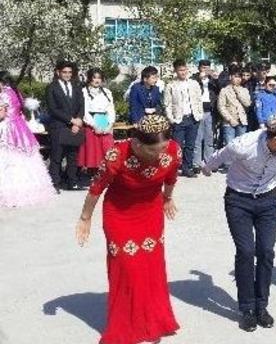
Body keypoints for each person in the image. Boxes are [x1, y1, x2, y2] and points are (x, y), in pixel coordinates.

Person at [75, 115, 181, 344]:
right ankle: (126, 325)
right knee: (127, 267)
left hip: (150, 212)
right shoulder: (118, 153)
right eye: (155, 150)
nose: (160, 154)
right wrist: (85, 218)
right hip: (120, 214)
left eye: (163, 147)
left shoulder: (173, 150)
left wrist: (167, 199)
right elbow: (96, 187)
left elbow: (171, 177)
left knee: (150, 266)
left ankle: (153, 320)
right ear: (138, 144)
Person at [201, 112, 276, 331]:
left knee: (266, 251)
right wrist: (207, 168)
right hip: (239, 201)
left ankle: (261, 306)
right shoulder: (243, 145)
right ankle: (246, 308)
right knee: (246, 251)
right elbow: (219, 156)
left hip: (269, 200)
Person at [0, 71, 56, 205]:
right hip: (20, 128)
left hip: (6, 129)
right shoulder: (16, 92)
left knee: (8, 159)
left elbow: (1, 115)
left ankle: (9, 194)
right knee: (23, 159)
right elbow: (20, 112)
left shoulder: (3, 95)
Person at [46, 60, 86, 191]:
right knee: (57, 156)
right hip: (58, 125)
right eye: (64, 72)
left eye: (70, 72)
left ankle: (72, 181)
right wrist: (71, 120)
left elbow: (81, 105)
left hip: (75, 126)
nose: (67, 74)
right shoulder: (51, 87)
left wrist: (79, 120)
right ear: (58, 72)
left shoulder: (76, 86)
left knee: (73, 155)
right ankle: (55, 183)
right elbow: (53, 109)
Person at [163, 59, 203, 178]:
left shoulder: (194, 83)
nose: (183, 72)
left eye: (185, 69)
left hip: (192, 118)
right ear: (175, 71)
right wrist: (171, 119)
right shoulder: (171, 85)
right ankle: (173, 169)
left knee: (190, 145)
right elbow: (167, 104)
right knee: (177, 146)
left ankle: (187, 168)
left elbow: (198, 100)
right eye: (180, 70)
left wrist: (199, 114)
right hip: (179, 119)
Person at [78, 68, 116, 175]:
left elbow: (111, 109)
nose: (97, 80)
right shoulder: (84, 92)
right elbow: (84, 111)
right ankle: (93, 174)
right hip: (91, 121)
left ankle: (107, 173)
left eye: (99, 78)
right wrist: (94, 125)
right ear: (90, 79)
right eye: (94, 78)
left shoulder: (107, 92)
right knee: (93, 151)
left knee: (107, 148)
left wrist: (110, 124)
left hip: (104, 120)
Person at [192, 60, 219, 174]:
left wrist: (216, 79)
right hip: (198, 110)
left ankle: (209, 162)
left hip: (210, 110)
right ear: (199, 68)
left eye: (207, 67)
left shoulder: (213, 79)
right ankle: (196, 163)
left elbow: (221, 88)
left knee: (209, 138)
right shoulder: (194, 79)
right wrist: (199, 78)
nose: (205, 70)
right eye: (203, 67)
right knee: (197, 138)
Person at [218, 65, 253, 147]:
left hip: (242, 121)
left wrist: (238, 91)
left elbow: (247, 103)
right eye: (235, 76)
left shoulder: (244, 90)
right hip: (229, 122)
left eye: (239, 77)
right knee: (230, 146)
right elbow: (221, 107)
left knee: (241, 145)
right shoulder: (224, 90)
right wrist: (230, 119)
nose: (238, 79)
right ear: (230, 77)